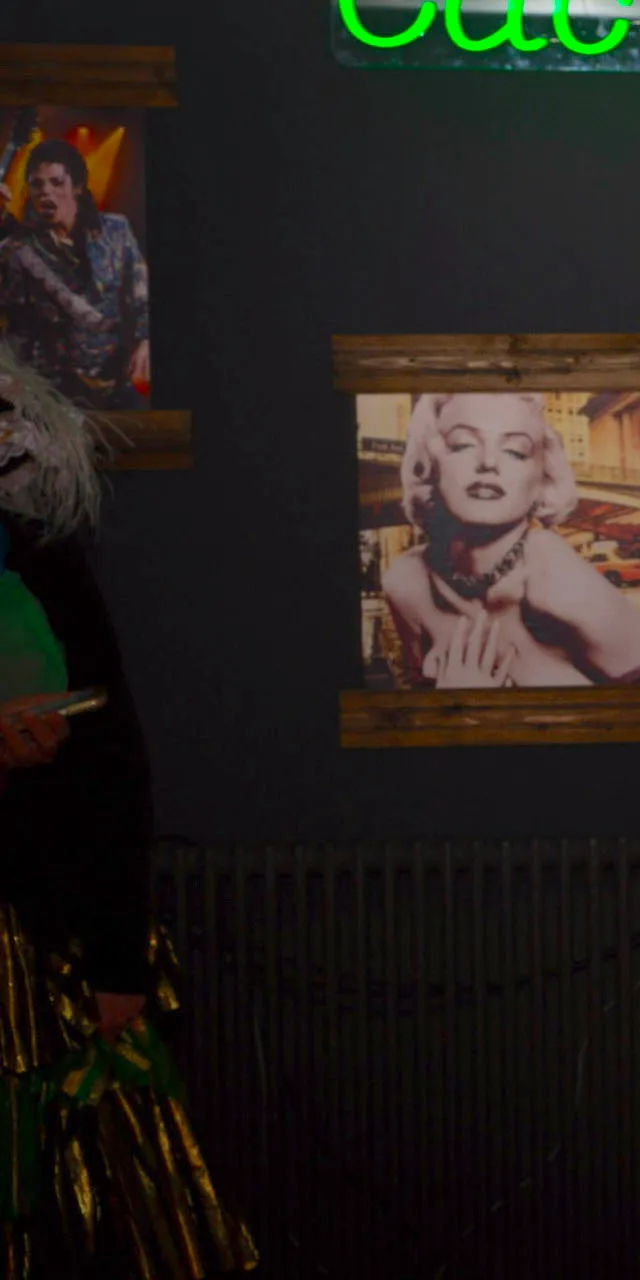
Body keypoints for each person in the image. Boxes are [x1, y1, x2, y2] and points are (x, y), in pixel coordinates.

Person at [0, 339, 256, 1275]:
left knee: (88, 1207)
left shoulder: (43, 559)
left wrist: (115, 962)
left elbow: (112, 761)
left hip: (46, 942)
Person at [381, 393, 640, 688]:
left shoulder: (559, 580)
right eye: (462, 444)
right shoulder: (407, 581)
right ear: (428, 464)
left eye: (515, 451)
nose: (488, 462)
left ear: (544, 478)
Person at [0, 140, 151, 409]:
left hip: (115, 383)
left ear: (78, 187)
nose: (46, 192)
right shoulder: (17, 250)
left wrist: (147, 341)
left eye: (56, 183)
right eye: (37, 184)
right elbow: (16, 328)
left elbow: (142, 297)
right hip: (51, 392)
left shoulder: (116, 231)